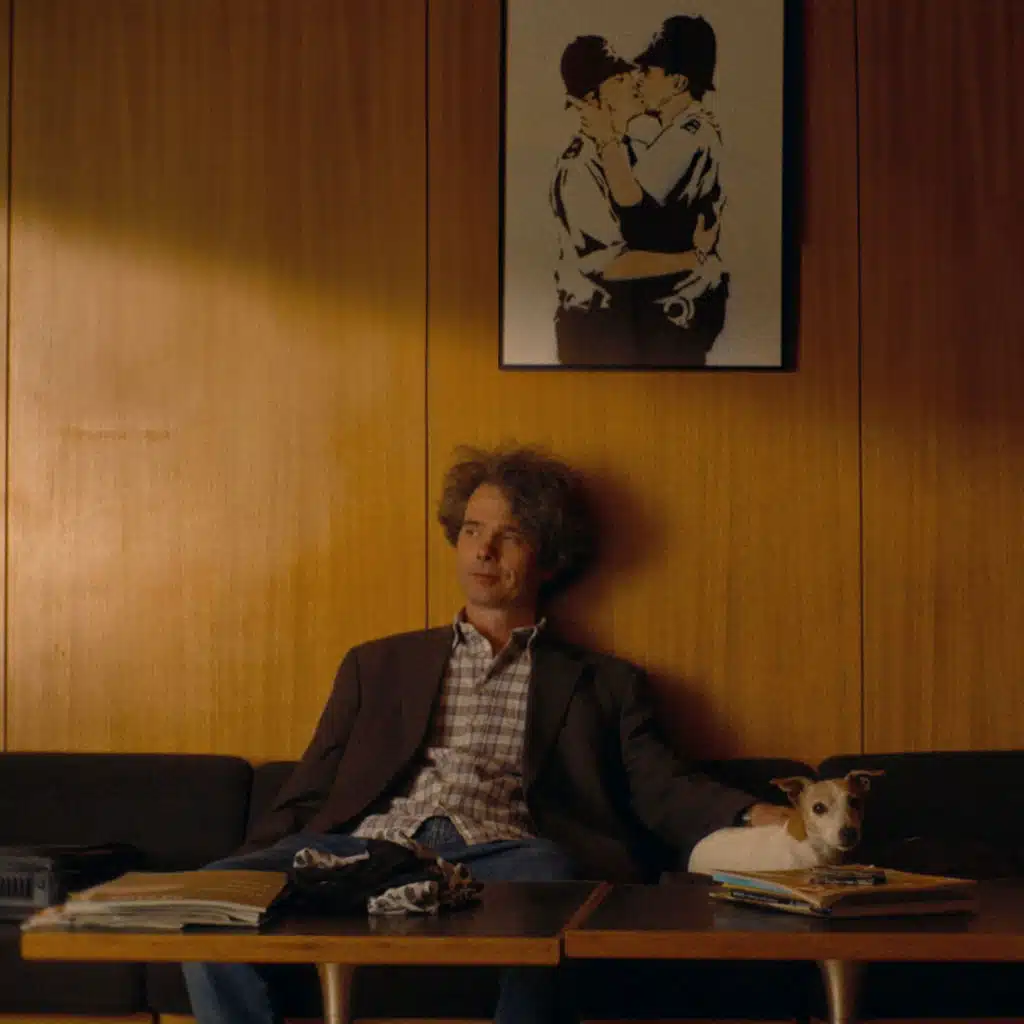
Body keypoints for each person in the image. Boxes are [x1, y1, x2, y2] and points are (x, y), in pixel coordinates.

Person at [184, 444, 786, 1024]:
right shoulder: (377, 665)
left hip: (509, 857)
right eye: (472, 529)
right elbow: (312, 787)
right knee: (206, 893)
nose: (484, 550)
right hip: (374, 848)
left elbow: (661, 786)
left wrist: (758, 814)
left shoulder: (605, 683)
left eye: (510, 536)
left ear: (549, 558)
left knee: (559, 887)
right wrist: (246, 869)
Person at [551, 36, 718, 367]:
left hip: (643, 324)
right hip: (593, 331)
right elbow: (612, 265)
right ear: (593, 100)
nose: (633, 81)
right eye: (619, 79)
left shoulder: (633, 149)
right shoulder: (578, 166)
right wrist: (694, 257)